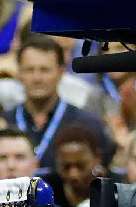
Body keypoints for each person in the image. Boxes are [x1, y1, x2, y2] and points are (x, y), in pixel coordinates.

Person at [6, 34, 112, 171]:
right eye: (29, 70)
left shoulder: (86, 124)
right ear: (18, 73)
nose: (37, 78)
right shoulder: (4, 123)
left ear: (61, 72)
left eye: (45, 70)